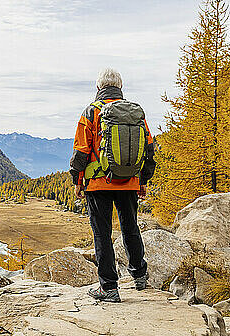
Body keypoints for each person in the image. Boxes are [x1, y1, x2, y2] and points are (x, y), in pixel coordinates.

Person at [70, 68, 156, 303]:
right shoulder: (136, 113)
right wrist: (142, 181)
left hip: (99, 184)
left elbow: (81, 152)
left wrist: (78, 181)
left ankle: (108, 287)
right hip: (129, 181)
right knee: (131, 228)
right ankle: (139, 276)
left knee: (102, 234)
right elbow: (149, 150)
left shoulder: (91, 112)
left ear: (98, 88)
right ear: (120, 87)